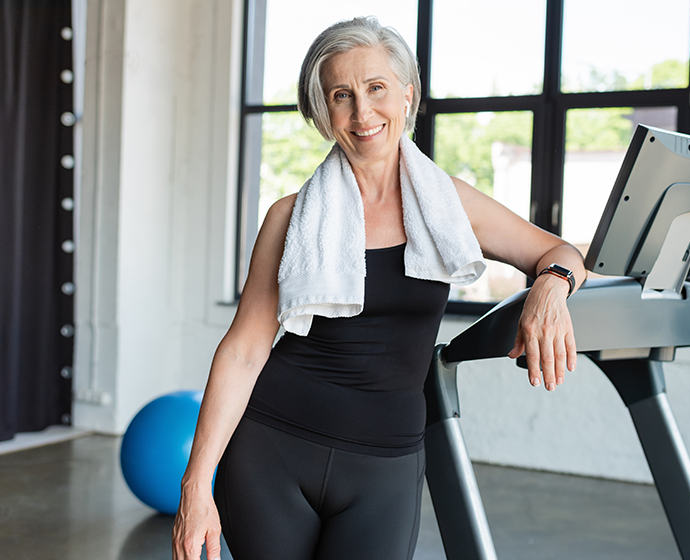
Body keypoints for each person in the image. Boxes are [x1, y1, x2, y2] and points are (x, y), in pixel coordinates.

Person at [172, 16, 585, 560]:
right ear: (324, 113)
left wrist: (550, 288)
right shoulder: (289, 218)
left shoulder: (450, 207)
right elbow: (244, 350)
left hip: (384, 463)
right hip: (270, 450)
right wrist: (195, 486)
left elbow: (559, 253)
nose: (362, 113)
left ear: (407, 95)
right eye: (341, 95)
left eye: (376, 88)